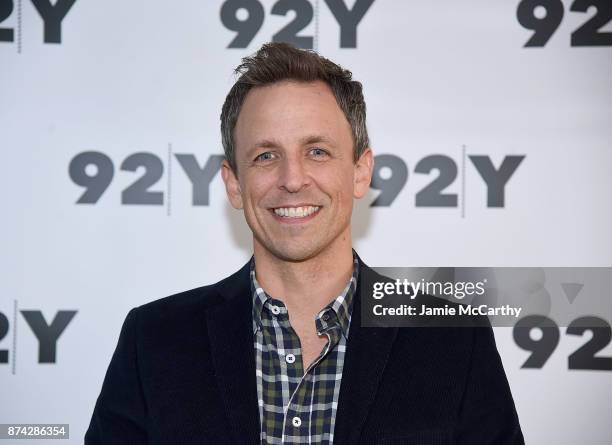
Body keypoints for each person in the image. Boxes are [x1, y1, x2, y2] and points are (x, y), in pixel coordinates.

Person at [85, 42, 524, 444]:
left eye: (317, 151)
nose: (292, 180)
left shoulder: (454, 341)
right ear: (233, 184)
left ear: (360, 170)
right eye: (265, 156)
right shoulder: (155, 340)